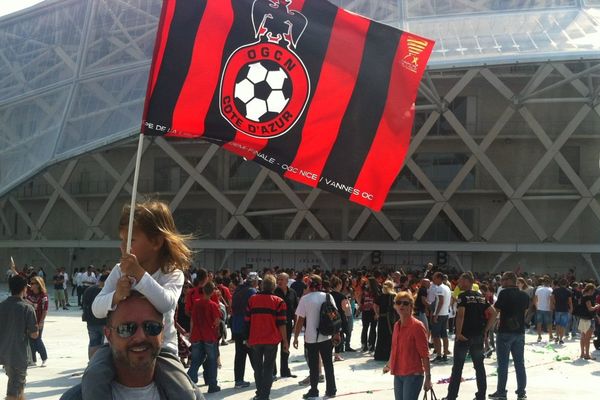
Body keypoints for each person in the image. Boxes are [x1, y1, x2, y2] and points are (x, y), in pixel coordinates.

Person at [85, 200, 192, 397]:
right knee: (93, 378)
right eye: (122, 240)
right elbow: (96, 309)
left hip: (163, 349)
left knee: (184, 391)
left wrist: (140, 275)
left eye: (131, 241)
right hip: (118, 347)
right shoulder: (119, 271)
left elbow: (166, 303)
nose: (123, 247)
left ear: (156, 242)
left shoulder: (171, 274)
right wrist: (116, 296)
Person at [60, 291, 203, 400]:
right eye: (127, 328)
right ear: (108, 335)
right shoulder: (77, 397)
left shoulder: (189, 394)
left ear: (163, 332)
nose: (140, 336)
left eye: (151, 327)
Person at [442, 273, 496, 400]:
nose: (458, 283)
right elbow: (493, 313)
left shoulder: (463, 296)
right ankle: (481, 395)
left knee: (457, 368)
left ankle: (452, 396)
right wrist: (485, 330)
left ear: (467, 281)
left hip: (464, 335)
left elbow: (461, 315)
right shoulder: (480, 297)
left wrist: (458, 333)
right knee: (479, 367)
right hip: (477, 336)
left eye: (460, 280)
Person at [293, 274, 339, 399]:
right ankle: (331, 390)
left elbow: (300, 321)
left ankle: (314, 390)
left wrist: (296, 337)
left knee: (313, 366)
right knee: (328, 364)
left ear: (309, 285)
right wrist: (337, 333)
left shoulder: (305, 299)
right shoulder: (328, 296)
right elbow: (335, 317)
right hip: (326, 337)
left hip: (310, 338)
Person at [246, 274, 288, 400]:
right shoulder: (279, 301)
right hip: (271, 340)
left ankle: (259, 393)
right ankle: (265, 396)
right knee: (269, 368)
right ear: (274, 287)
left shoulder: (252, 300)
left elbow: (247, 321)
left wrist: (247, 338)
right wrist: (285, 341)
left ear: (262, 285)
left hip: (255, 338)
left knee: (257, 368)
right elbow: (282, 323)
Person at [383, 291, 432, 400]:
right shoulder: (397, 325)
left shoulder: (417, 326)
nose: (401, 305)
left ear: (411, 306)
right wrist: (389, 365)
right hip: (398, 373)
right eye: (398, 303)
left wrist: (428, 378)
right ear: (395, 306)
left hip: (413, 374)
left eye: (405, 303)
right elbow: (394, 348)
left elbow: (425, 354)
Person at [488, 271, 530, 400]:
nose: (501, 282)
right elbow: (525, 311)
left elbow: (496, 310)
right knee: (519, 364)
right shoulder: (524, 295)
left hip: (505, 331)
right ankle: (521, 392)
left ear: (510, 280)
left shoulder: (504, 293)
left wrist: (488, 326)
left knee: (503, 364)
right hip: (519, 332)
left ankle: (501, 392)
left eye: (504, 279)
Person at [0, 275, 39, 400]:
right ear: (24, 288)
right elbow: (34, 334)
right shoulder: (27, 308)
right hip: (18, 354)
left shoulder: (2, 306)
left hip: (4, 352)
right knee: (14, 389)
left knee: (17, 384)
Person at [187, 281, 221, 393]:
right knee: (212, 361)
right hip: (209, 335)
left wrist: (191, 334)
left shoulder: (196, 303)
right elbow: (216, 322)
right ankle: (212, 385)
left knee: (196, 360)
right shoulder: (213, 305)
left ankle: (189, 380)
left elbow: (192, 320)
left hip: (197, 334)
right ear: (212, 292)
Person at [231, 273, 258, 388]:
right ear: (254, 282)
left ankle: (238, 380)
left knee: (240, 353)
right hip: (246, 327)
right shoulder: (252, 292)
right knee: (253, 352)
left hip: (236, 326)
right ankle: (260, 375)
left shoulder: (238, 290)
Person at [274, 272, 298, 377]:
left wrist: (295, 325)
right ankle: (272, 372)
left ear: (287, 281)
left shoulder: (292, 292)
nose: (279, 281)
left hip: (288, 324)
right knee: (273, 349)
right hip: (275, 325)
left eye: (281, 280)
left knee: (285, 347)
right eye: (278, 279)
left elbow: (296, 309)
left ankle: (284, 371)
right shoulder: (273, 292)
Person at [81, 274, 108, 359]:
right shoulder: (106, 291)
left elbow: (84, 304)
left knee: (93, 343)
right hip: (104, 322)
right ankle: (102, 362)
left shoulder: (89, 289)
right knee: (106, 345)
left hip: (91, 322)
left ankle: (91, 363)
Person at [26, 276, 49, 367]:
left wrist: (41, 322)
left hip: (38, 321)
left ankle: (44, 357)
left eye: (32, 283)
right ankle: (33, 360)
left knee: (37, 339)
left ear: (38, 285)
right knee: (31, 340)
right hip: (28, 320)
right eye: (30, 283)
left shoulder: (43, 296)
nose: (30, 285)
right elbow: (20, 279)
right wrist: (13, 270)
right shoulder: (29, 291)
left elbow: (45, 310)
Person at [373, 280, 398, 361]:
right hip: (391, 319)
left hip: (382, 319)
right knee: (389, 336)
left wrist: (377, 314)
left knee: (381, 336)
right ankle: (388, 355)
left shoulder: (381, 296)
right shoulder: (394, 296)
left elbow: (375, 305)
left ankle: (380, 355)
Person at [575, 283, 600, 360]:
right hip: (588, 319)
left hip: (582, 319)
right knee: (587, 338)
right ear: (590, 290)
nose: (593, 292)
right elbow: (590, 309)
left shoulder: (583, 296)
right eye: (593, 291)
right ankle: (587, 355)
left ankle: (582, 353)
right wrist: (596, 306)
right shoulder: (588, 298)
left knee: (583, 337)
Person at [431, 272, 451, 362]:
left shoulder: (439, 288)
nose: (433, 279)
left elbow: (441, 301)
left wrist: (436, 315)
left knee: (436, 336)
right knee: (444, 335)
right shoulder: (447, 287)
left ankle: (439, 355)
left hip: (439, 314)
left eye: (434, 278)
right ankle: (445, 355)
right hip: (445, 313)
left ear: (439, 278)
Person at [550, 278, 572, 345]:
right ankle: (561, 339)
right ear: (566, 283)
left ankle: (557, 336)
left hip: (557, 309)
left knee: (557, 324)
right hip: (565, 309)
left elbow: (552, 298)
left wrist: (554, 304)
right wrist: (571, 308)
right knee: (563, 325)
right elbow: (570, 302)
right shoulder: (568, 291)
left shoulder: (555, 290)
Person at [360, 277, 379, 352]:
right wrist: (360, 309)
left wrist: (376, 313)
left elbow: (377, 303)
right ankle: (364, 344)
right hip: (365, 311)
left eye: (368, 282)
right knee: (365, 328)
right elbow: (362, 301)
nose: (366, 283)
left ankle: (372, 344)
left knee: (373, 328)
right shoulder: (365, 291)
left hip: (373, 311)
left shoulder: (376, 292)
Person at [534, 277, 553, 342]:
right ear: (549, 283)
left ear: (543, 283)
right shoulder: (550, 290)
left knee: (539, 323)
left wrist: (537, 307)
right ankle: (550, 336)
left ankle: (539, 336)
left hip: (539, 308)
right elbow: (551, 300)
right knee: (549, 323)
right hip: (547, 308)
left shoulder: (538, 289)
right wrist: (551, 308)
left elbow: (535, 299)